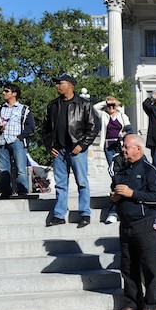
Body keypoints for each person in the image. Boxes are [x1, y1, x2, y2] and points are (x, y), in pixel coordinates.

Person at [110, 135, 156, 310]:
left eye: (126, 147)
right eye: (123, 147)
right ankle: (132, 302)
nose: (123, 150)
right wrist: (115, 197)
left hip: (145, 224)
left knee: (149, 266)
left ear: (138, 149)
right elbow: (115, 190)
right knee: (128, 266)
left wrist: (133, 194)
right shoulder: (122, 170)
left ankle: (150, 304)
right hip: (125, 225)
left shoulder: (150, 170)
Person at [41, 73, 98, 228]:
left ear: (70, 86)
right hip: (58, 151)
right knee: (60, 184)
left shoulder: (84, 104)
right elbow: (45, 129)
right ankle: (59, 214)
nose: (57, 86)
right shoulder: (53, 105)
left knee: (82, 182)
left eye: (60, 83)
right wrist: (49, 146)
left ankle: (84, 213)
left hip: (76, 150)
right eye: (57, 83)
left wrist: (82, 145)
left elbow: (93, 127)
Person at [0, 83, 35, 199]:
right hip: (2, 141)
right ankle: (5, 192)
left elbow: (31, 126)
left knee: (20, 168)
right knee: (3, 169)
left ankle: (22, 192)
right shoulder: (0, 108)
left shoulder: (24, 109)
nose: (3, 93)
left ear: (14, 94)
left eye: (6, 91)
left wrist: (20, 137)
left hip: (17, 141)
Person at [94, 95, 132, 223]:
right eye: (109, 106)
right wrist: (106, 102)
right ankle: (116, 193)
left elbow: (129, 128)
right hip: (109, 145)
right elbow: (95, 107)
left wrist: (124, 134)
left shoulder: (122, 115)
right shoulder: (104, 115)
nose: (111, 108)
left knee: (122, 170)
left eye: (113, 106)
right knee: (113, 171)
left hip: (120, 145)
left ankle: (119, 197)